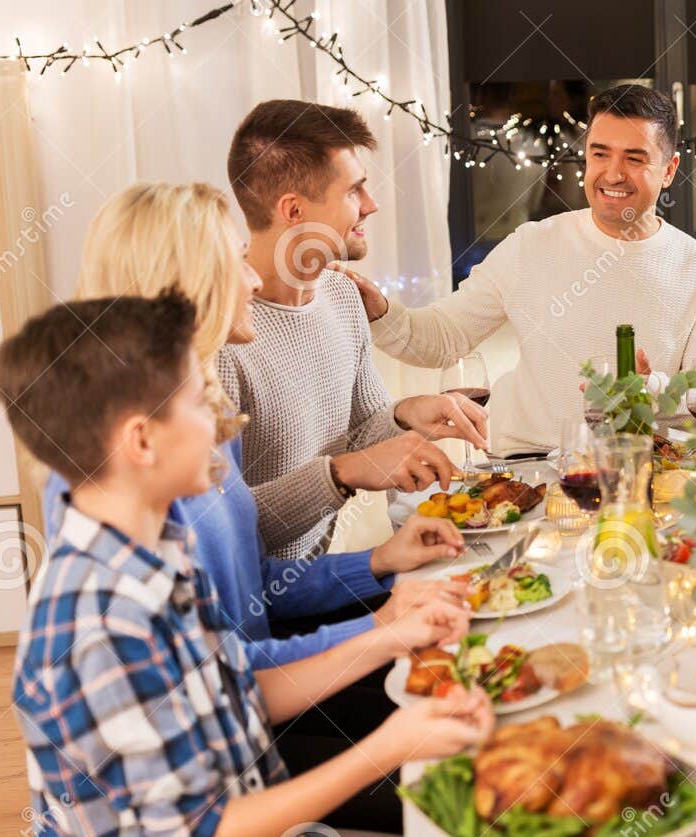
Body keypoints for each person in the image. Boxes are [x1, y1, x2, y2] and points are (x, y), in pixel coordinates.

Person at [0, 294, 493, 837]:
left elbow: (239, 687)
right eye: (199, 404)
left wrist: (388, 636)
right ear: (142, 442)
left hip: (244, 833)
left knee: (469, 832)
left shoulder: (155, 545)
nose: (226, 422)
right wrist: (392, 746)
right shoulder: (104, 621)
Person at [41, 182, 467, 670]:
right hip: (252, 703)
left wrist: (379, 562)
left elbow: (255, 588)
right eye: (238, 262)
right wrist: (379, 630)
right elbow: (220, 675)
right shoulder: (130, 472)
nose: (256, 281)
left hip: (264, 674)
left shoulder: (208, 420)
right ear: (185, 286)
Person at [338, 84, 696, 455]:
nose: (613, 174)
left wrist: (650, 391)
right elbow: (442, 338)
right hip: (527, 465)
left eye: (635, 159)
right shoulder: (530, 245)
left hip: (644, 470)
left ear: (669, 170)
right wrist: (380, 313)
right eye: (600, 154)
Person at [223, 99, 487, 560]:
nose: (372, 204)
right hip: (263, 606)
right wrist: (341, 473)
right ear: (292, 210)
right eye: (354, 191)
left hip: (326, 576)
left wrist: (407, 413)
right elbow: (221, 531)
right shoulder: (223, 334)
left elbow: (362, 433)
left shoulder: (342, 298)